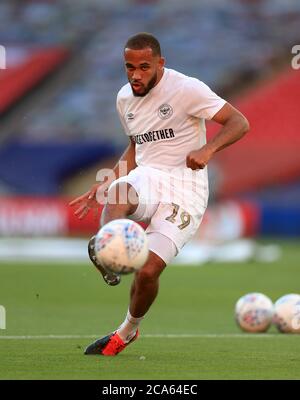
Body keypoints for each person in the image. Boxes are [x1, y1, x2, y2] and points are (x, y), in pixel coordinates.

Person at [70, 32, 249, 356]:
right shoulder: (124, 98)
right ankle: (107, 249)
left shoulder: (186, 89)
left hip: (186, 188)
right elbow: (137, 145)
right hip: (149, 175)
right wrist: (108, 179)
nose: (136, 75)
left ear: (160, 64)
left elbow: (239, 122)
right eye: (129, 67)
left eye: (143, 67)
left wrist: (208, 150)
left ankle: (127, 331)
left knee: (149, 270)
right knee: (118, 192)